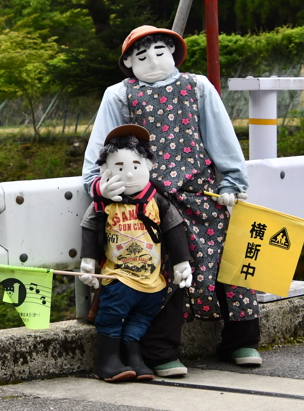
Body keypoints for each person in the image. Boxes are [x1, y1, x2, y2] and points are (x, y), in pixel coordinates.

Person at [82, 25, 259, 377]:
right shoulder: (119, 95)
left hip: (203, 192)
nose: (153, 61)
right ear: (128, 62)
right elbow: (99, 153)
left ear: (174, 53)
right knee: (162, 273)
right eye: (142, 56)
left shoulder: (198, 87)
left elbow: (220, 136)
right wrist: (99, 186)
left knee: (228, 260)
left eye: (161, 51)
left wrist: (233, 182)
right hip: (148, 202)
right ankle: (162, 350)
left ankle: (242, 338)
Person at [78, 124, 192, 382]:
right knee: (112, 316)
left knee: (140, 319)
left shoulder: (157, 200)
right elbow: (90, 226)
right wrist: (88, 261)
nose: (129, 175)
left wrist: (181, 263)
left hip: (153, 282)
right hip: (118, 278)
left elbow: (174, 228)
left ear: (149, 165)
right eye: (119, 168)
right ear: (104, 171)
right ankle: (107, 360)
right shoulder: (104, 204)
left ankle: (133, 358)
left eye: (135, 166)